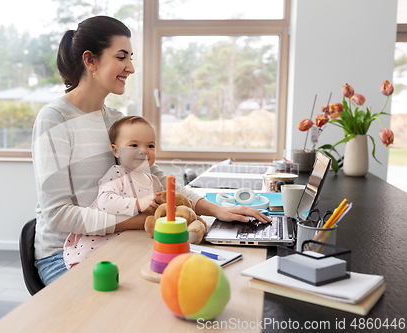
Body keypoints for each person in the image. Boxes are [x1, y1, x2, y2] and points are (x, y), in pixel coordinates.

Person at [32, 15, 271, 286]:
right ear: (90, 60)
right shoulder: (54, 118)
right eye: (121, 57)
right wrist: (143, 221)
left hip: (115, 241)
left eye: (130, 57)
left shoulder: (115, 120)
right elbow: (57, 215)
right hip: (65, 253)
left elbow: (159, 181)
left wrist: (216, 210)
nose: (131, 68)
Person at [63, 116, 162, 269]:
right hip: (98, 244)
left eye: (150, 146)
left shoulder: (155, 181)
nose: (143, 151)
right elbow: (104, 201)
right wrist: (137, 204)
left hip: (132, 242)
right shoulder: (117, 174)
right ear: (116, 151)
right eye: (134, 145)